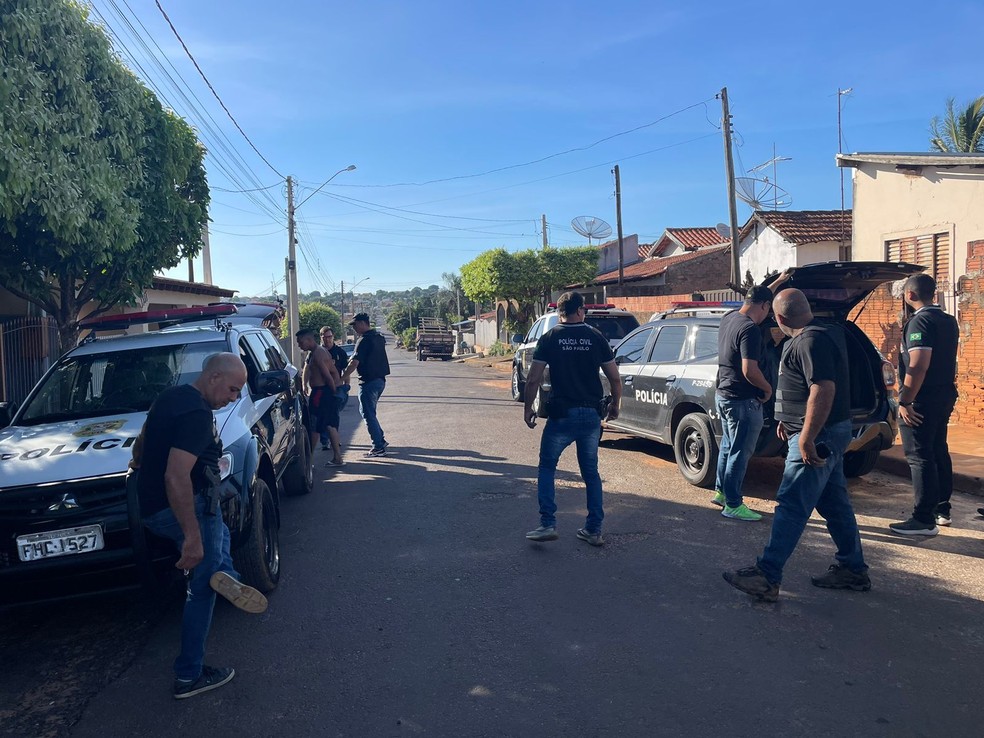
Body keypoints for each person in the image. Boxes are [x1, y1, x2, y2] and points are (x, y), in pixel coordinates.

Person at [133, 352, 268, 699]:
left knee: (220, 537)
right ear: (213, 378)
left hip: (157, 507)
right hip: (188, 507)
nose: (234, 398)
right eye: (233, 389)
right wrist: (191, 538)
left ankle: (228, 576)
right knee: (202, 586)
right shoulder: (196, 413)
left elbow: (142, 445)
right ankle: (189, 675)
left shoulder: (171, 397)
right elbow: (176, 477)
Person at [723, 289, 869, 602]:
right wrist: (787, 420)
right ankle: (852, 568)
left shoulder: (808, 341)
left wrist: (805, 435)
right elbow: (803, 389)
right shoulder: (818, 336)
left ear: (779, 317)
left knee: (791, 503)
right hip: (823, 431)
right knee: (834, 503)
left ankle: (767, 574)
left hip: (820, 435)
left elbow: (823, 389)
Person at [523, 291, 622, 547]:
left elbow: (533, 378)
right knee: (590, 472)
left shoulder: (550, 337)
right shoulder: (595, 337)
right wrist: (615, 405)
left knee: (547, 467)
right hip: (590, 415)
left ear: (560, 313)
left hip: (561, 415)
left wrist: (528, 408)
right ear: (580, 311)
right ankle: (593, 529)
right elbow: (615, 378)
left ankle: (547, 524)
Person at [889, 273, 960, 536]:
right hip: (943, 395)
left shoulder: (920, 322)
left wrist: (905, 400)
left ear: (910, 295)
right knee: (938, 448)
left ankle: (923, 519)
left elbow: (918, 365)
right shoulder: (948, 320)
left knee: (919, 456)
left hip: (921, 399)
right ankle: (942, 509)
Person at [711, 285, 774, 521]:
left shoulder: (729, 318)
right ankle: (734, 504)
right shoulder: (750, 330)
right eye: (769, 309)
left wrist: (779, 281)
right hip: (743, 401)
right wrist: (767, 388)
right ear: (765, 306)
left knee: (728, 446)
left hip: (724, 395)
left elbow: (760, 294)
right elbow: (750, 370)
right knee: (740, 451)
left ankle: (721, 492)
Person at [341, 313, 390, 457]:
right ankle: (380, 439)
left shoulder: (363, 340)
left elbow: (355, 362)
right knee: (370, 412)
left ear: (363, 323)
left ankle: (378, 447)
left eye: (355, 325)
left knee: (367, 414)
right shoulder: (379, 337)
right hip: (380, 381)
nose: (354, 328)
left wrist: (343, 377)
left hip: (368, 382)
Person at [296, 328, 343, 467]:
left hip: (322, 393)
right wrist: (304, 384)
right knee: (328, 425)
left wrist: (333, 392)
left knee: (315, 426)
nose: (299, 345)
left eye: (300, 342)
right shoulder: (314, 353)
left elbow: (328, 375)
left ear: (309, 340)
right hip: (322, 392)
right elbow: (307, 369)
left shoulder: (318, 354)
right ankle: (337, 457)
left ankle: (309, 461)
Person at [318, 325, 350, 452]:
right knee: (323, 414)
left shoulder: (339, 352)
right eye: (325, 337)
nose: (327, 339)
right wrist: (305, 385)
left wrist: (346, 385)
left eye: (329, 337)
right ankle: (325, 440)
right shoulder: (317, 352)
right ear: (321, 337)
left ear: (333, 337)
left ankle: (334, 439)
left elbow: (345, 370)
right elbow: (307, 368)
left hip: (336, 388)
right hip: (321, 388)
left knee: (334, 415)